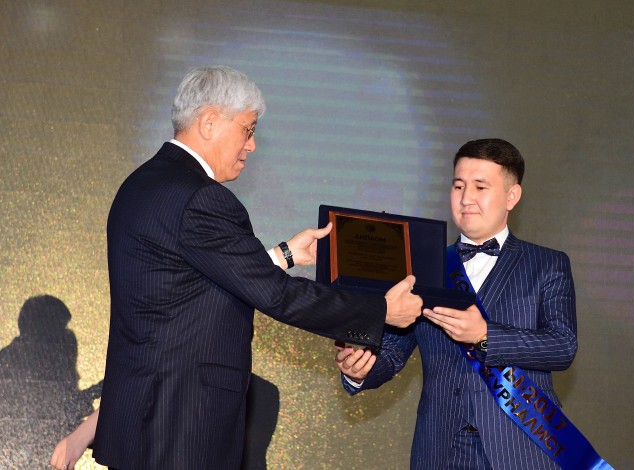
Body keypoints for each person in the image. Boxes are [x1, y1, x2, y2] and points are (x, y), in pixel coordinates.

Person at [52, 65, 421, 470]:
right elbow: (276, 295)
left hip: (145, 425)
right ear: (209, 121)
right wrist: (381, 312)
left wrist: (284, 255)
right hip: (183, 428)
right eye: (248, 130)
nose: (252, 145)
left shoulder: (141, 184)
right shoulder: (202, 198)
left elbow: (188, 286)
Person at [335, 138, 577, 469]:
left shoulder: (547, 264)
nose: (466, 198)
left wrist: (485, 335)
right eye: (458, 186)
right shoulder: (422, 268)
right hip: (441, 448)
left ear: (512, 196)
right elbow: (392, 352)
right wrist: (359, 370)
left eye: (480, 187)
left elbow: (562, 346)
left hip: (522, 446)